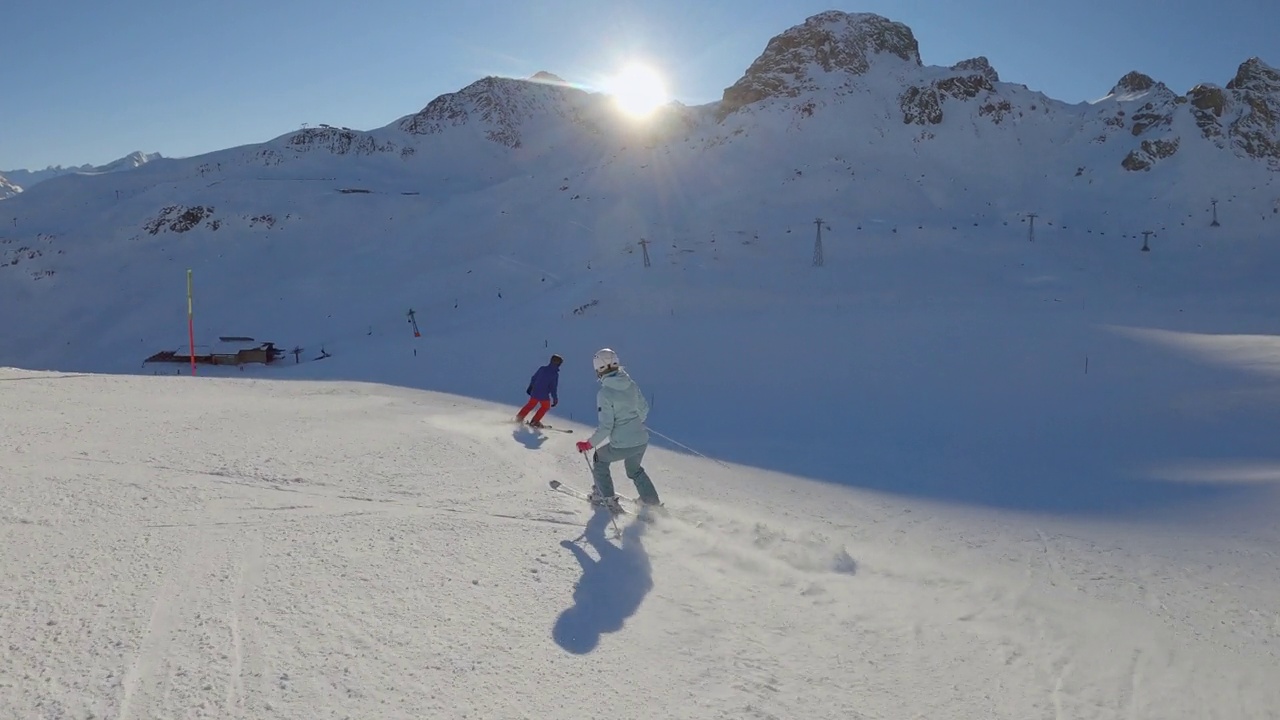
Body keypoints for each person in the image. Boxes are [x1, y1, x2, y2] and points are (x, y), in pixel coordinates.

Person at [575, 348, 661, 510]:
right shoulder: (630, 384)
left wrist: (589, 444)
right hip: (641, 440)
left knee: (600, 458)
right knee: (634, 470)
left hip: (622, 444)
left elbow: (606, 426)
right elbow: (643, 409)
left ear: (598, 369)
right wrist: (633, 424)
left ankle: (605, 497)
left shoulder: (605, 393)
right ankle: (652, 504)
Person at [516, 354, 562, 428]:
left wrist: (530, 386)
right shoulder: (554, 374)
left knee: (530, 405)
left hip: (535, 391)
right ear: (558, 364)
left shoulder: (542, 369)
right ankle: (535, 421)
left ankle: (519, 417)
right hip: (543, 395)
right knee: (545, 407)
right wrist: (555, 398)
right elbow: (553, 387)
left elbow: (534, 378)